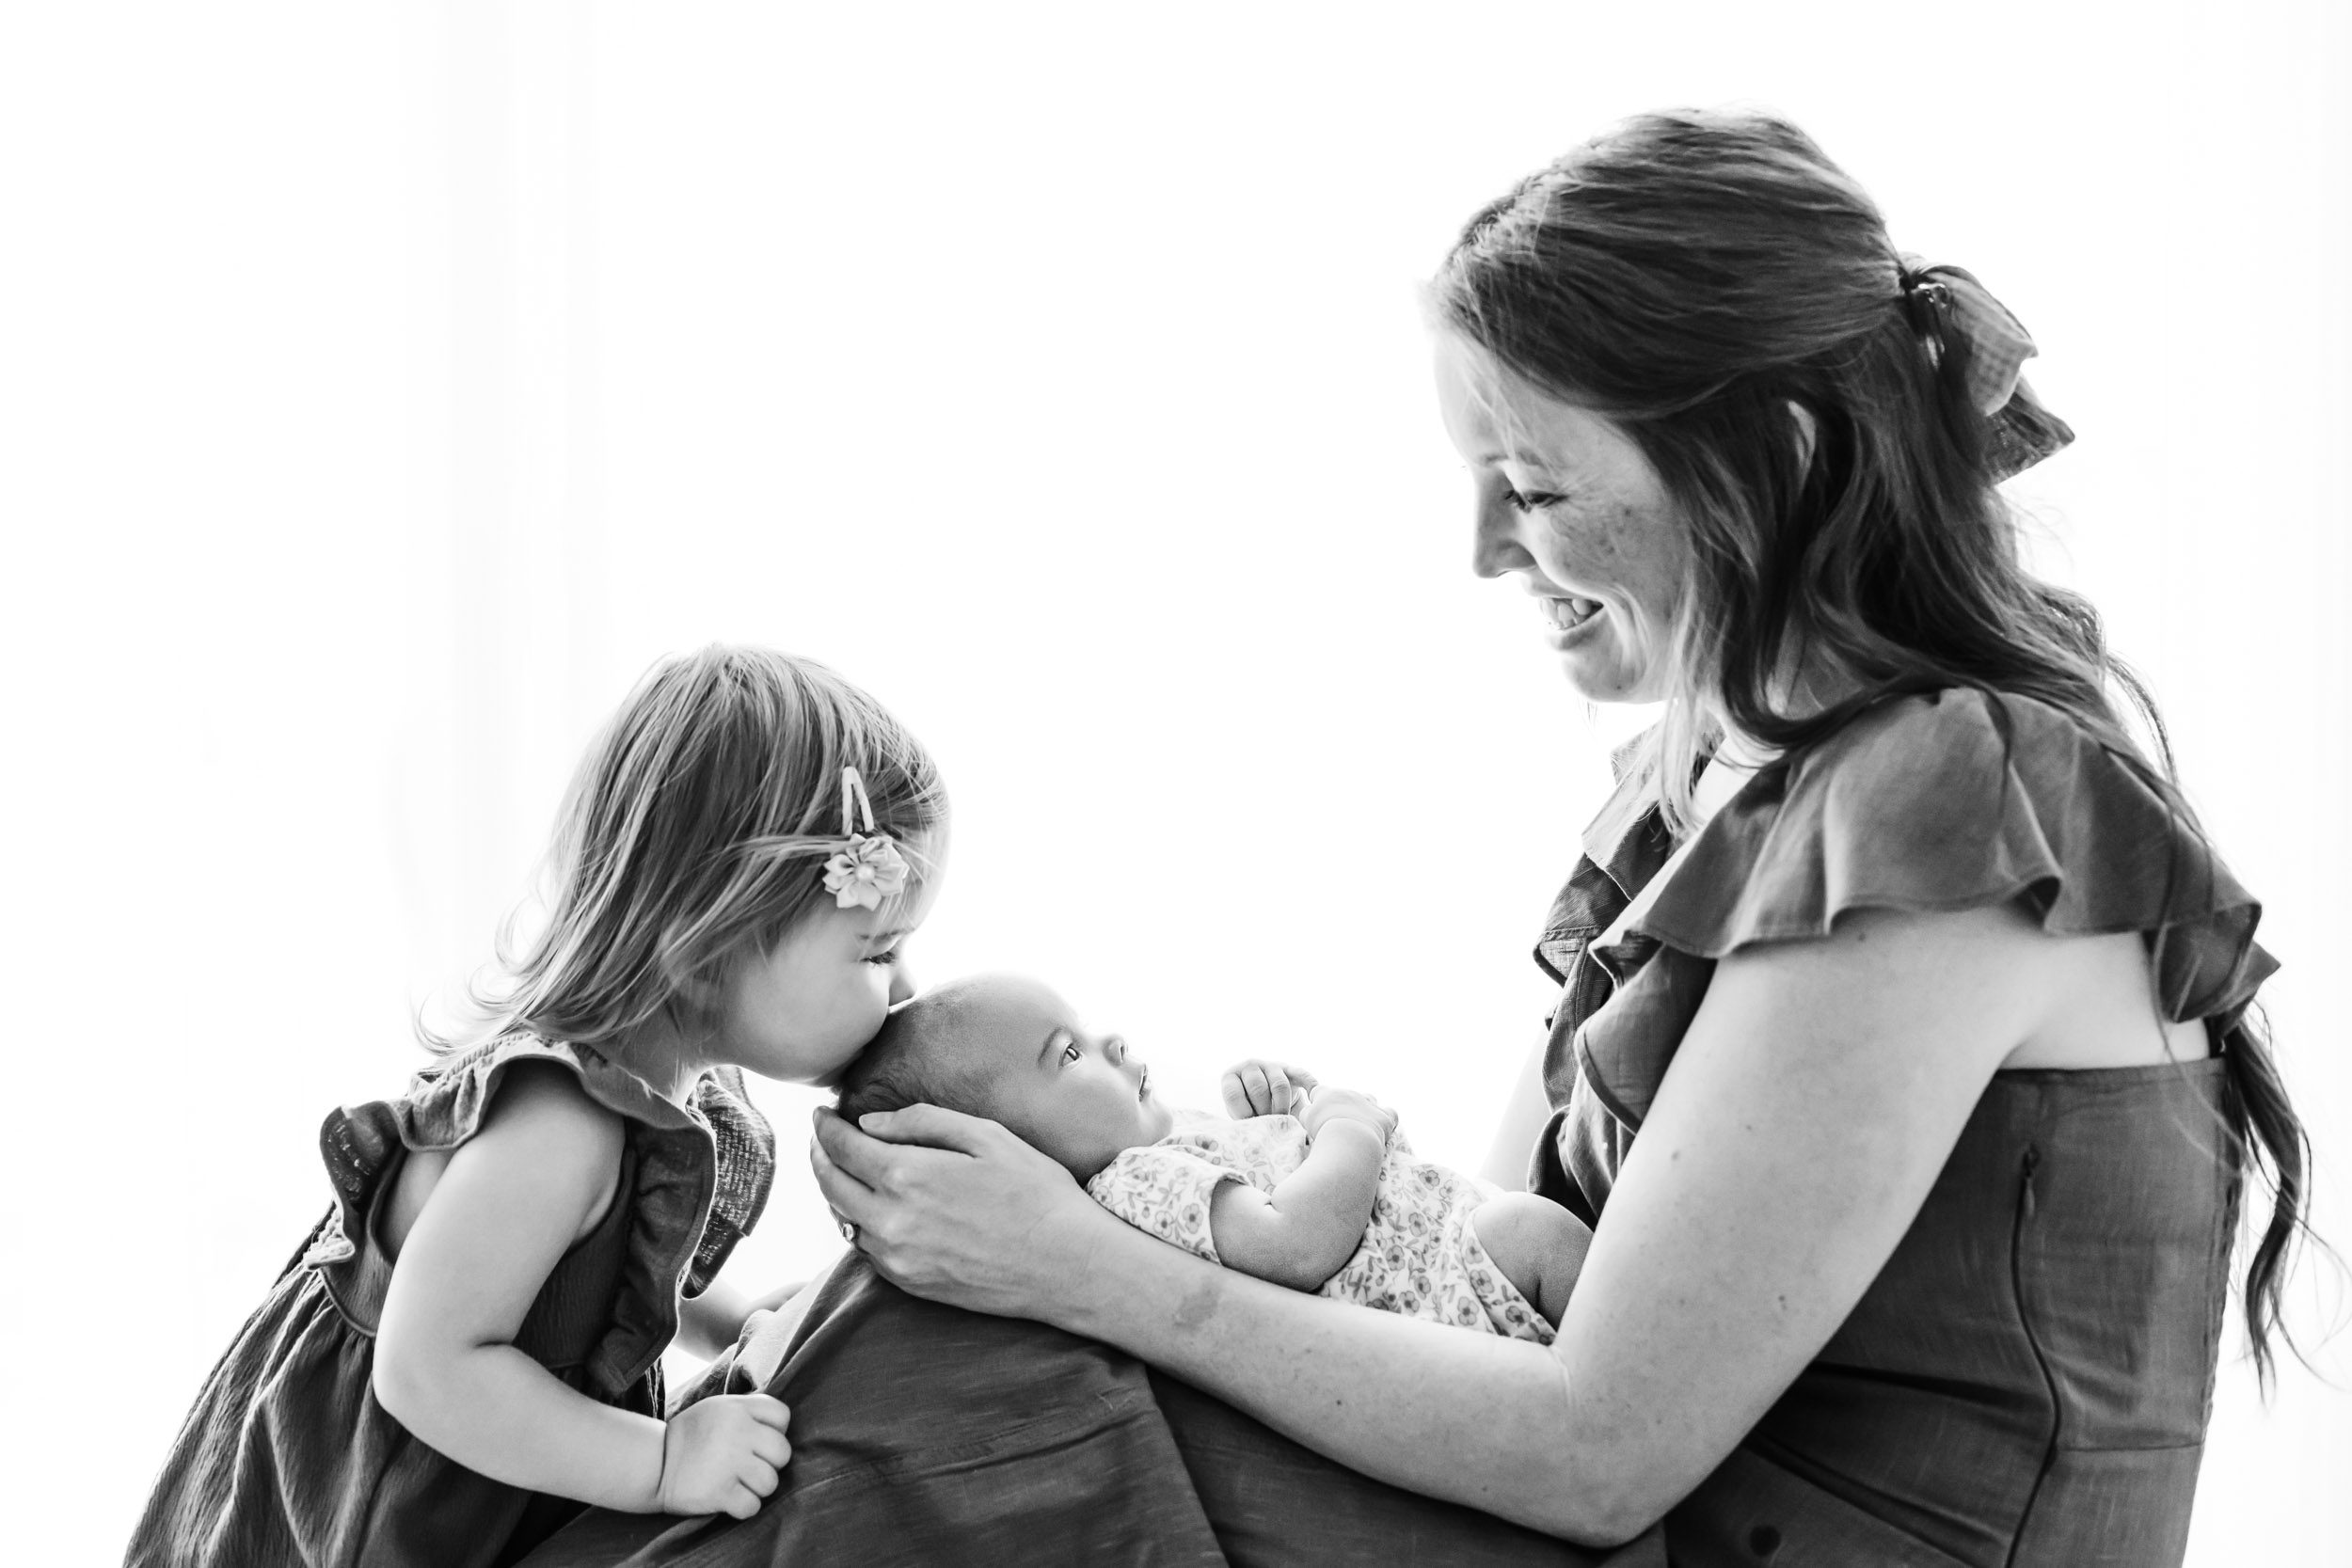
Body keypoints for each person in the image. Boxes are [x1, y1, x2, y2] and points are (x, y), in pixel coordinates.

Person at [800, 108, 2312, 1565]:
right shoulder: (1719, 769)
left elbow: (1595, 1448)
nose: (1480, 550)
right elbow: (1500, 1238)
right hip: (1646, 1512)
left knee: (974, 1384)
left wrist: (1091, 1268)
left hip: (1732, 1527)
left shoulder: (1943, 802)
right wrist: (1182, 1172)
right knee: (910, 1349)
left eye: (1529, 484)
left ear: (1773, 460)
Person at [126, 645, 948, 1568]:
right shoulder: (560, 1128)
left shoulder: (664, 1091)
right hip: (359, 1518)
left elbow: (588, 1274)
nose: (906, 985)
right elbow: (427, 1366)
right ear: (714, 942)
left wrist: (728, 1316)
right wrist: (664, 1459)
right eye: (877, 950)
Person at [833, 974, 1591, 1339]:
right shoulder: (1132, 1185)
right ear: (1008, 1147)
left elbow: (1263, 1209)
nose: (1111, 1042)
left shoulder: (1160, 1154)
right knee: (1538, 1233)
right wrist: (1347, 1128)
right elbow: (1296, 1244)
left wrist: (1273, 1126)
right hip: (1448, 1290)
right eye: (1067, 1053)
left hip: (1449, 1266)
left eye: (1085, 1027)